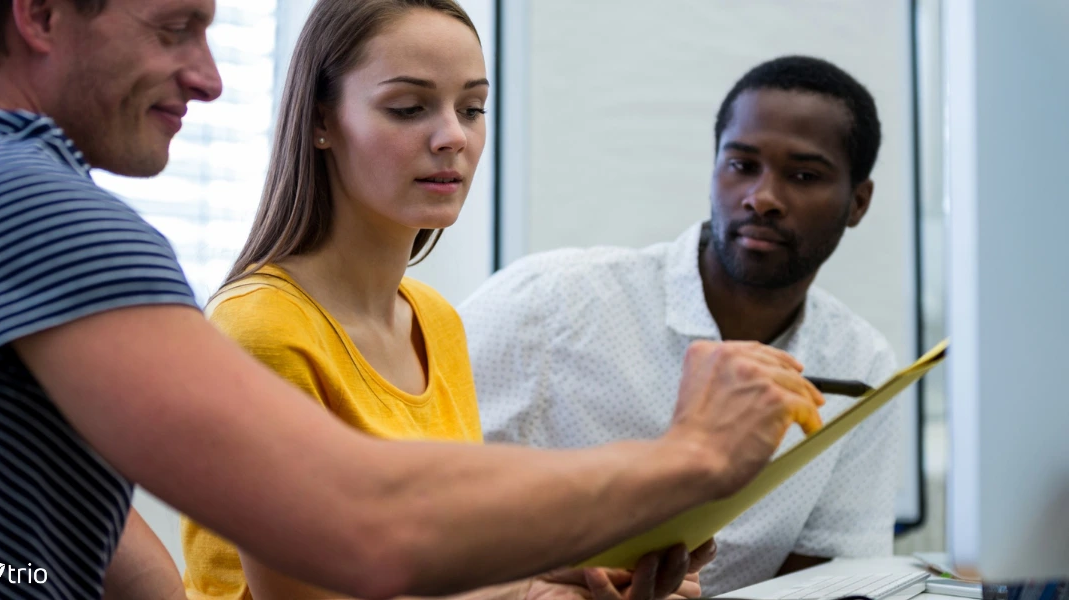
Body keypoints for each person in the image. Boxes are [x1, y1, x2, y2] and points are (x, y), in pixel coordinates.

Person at [0, 1, 826, 599]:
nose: (210, 78)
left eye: (473, 107)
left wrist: (543, 578)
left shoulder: (436, 319)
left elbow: (71, 543)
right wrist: (693, 458)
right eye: (174, 27)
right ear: (38, 14)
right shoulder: (38, 212)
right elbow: (358, 524)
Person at [181, 1, 714, 598]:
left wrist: (583, 571)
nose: (453, 136)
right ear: (320, 122)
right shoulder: (261, 327)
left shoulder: (435, 321)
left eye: (472, 108)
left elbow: (436, 561)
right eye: (408, 108)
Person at [460, 55, 900, 596]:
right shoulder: (547, 303)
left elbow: (831, 576)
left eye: (804, 176)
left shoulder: (863, 364)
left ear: (858, 202)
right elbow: (416, 506)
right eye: (741, 165)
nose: (761, 198)